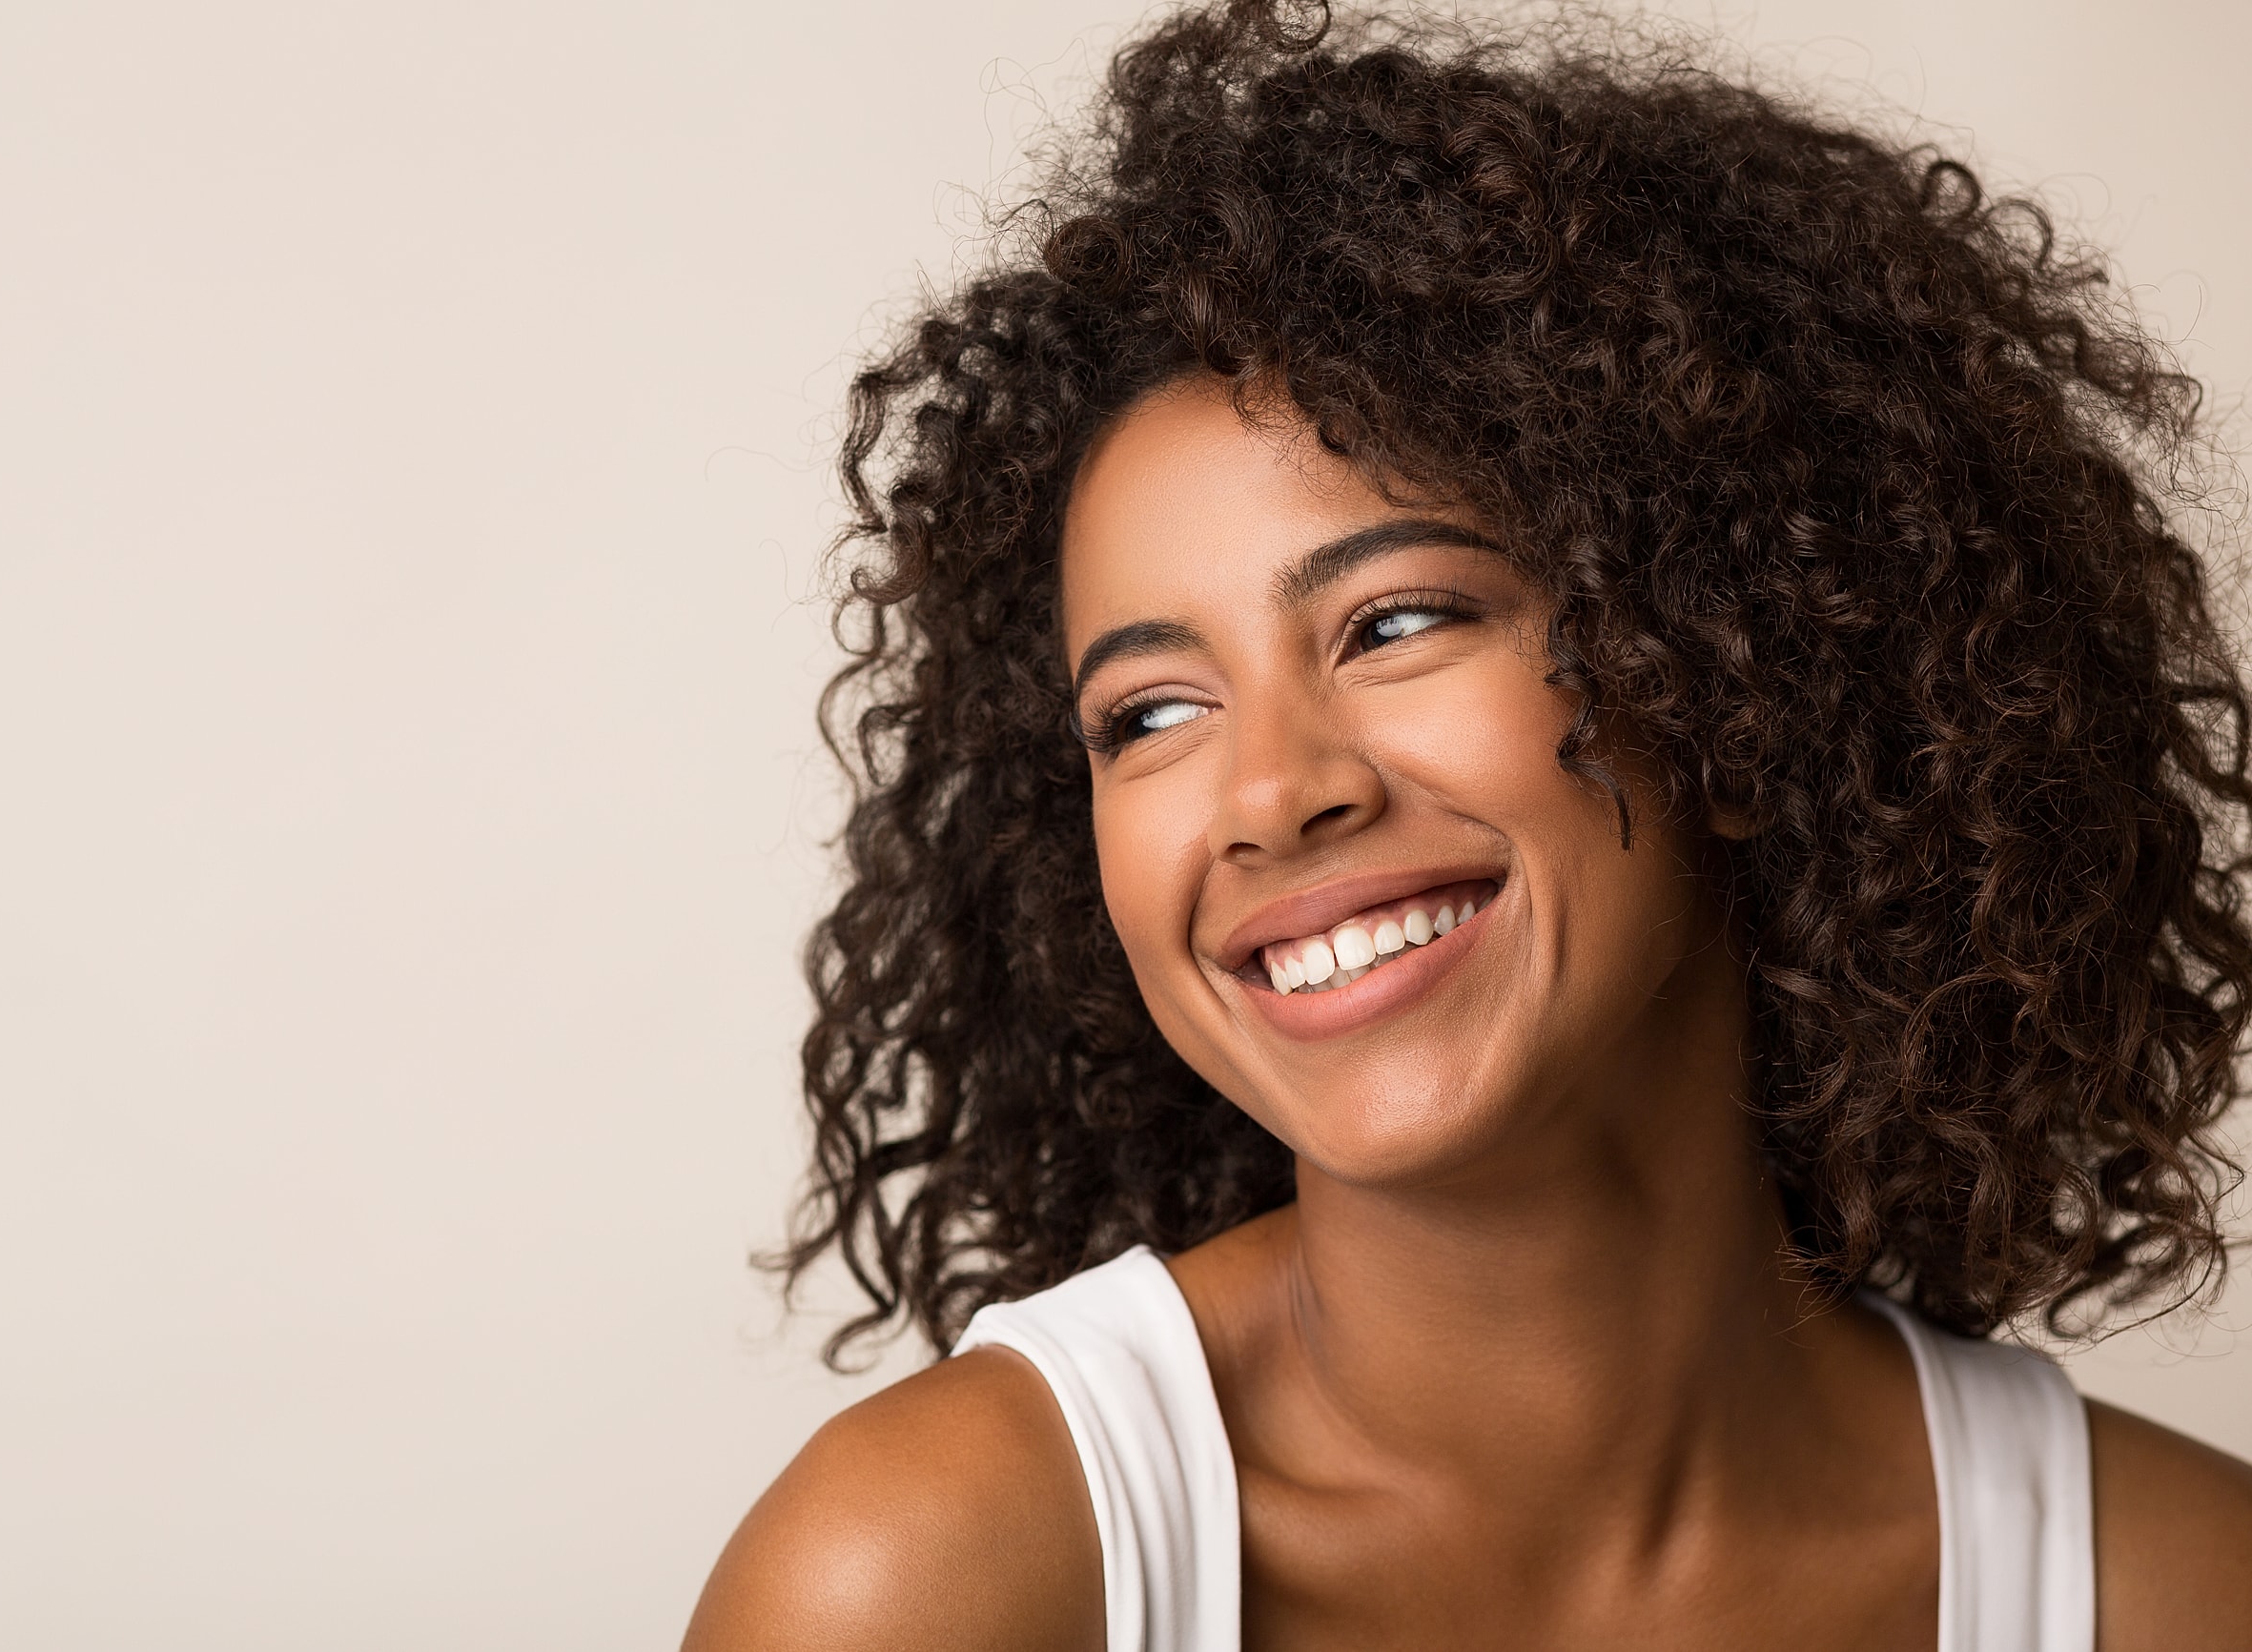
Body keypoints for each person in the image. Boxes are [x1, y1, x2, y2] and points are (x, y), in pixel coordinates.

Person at [685, 3, 2252, 1645]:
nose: (1276, 790)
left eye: (1396, 622)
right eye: (1149, 715)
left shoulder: (2171, 1589)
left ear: (1736, 672)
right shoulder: (937, 1575)